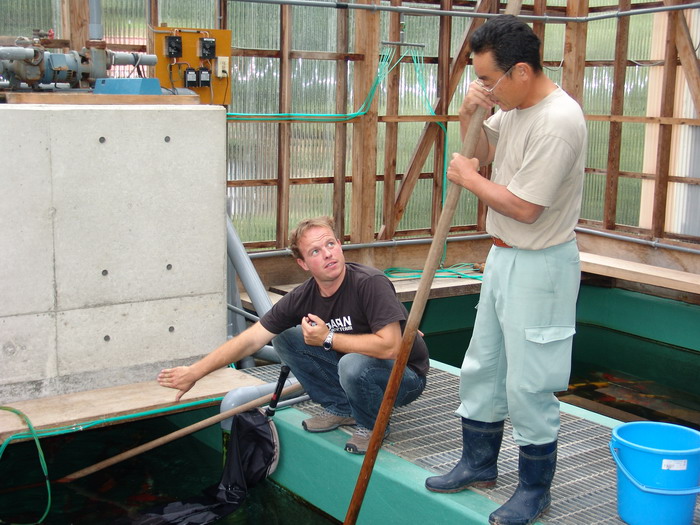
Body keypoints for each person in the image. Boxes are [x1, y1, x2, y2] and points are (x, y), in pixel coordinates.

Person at [424, 15, 587, 525]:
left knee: (529, 382)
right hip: (503, 255)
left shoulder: (558, 121)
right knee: (484, 365)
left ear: (520, 71)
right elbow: (484, 151)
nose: (486, 87)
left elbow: (526, 208)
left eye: (488, 79)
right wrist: (467, 112)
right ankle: (478, 463)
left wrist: (469, 179)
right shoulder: (514, 106)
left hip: (542, 263)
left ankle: (534, 489)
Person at [158, 216, 429, 455]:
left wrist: (328, 338)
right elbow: (252, 339)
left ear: (340, 245)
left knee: (352, 363)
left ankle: (373, 426)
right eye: (315, 251)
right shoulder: (304, 295)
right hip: (356, 366)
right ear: (303, 263)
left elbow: (391, 347)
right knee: (285, 336)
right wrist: (195, 372)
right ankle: (343, 407)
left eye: (331, 244)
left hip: (405, 376)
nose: (327, 254)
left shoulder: (369, 283)